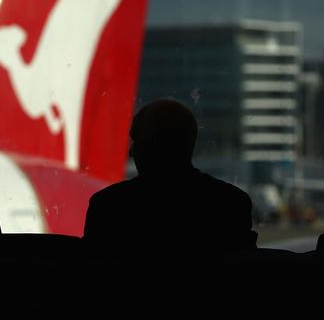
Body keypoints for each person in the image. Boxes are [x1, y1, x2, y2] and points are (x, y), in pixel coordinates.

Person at [83, 98, 257, 257]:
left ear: (154, 144)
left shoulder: (109, 206)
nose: (130, 152)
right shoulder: (232, 204)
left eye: (136, 141)